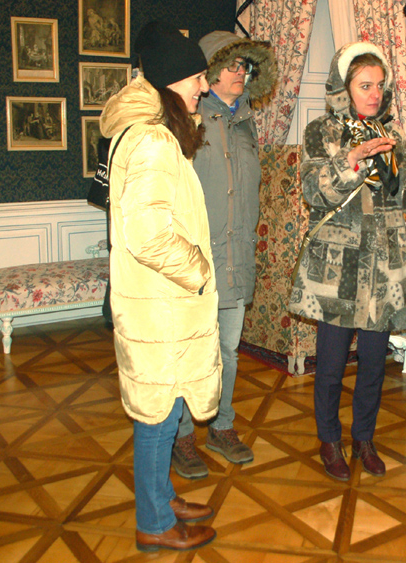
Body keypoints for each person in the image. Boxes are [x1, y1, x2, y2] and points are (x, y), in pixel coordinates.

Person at [288, 42, 406, 482]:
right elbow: (313, 193)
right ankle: (329, 440)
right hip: (337, 269)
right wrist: (351, 159)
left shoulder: (393, 138)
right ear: (344, 88)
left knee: (375, 365)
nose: (374, 94)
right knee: (331, 366)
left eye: (379, 85)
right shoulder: (322, 132)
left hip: (384, 271)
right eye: (365, 85)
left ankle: (364, 438)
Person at [98, 21, 221, 552]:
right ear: (173, 80)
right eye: (198, 78)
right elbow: (147, 235)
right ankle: (153, 523)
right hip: (162, 308)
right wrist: (198, 270)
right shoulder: (151, 140)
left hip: (159, 305)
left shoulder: (150, 132)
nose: (204, 88)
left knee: (164, 412)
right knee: (158, 417)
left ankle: (162, 497)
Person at [170, 30, 277, 480]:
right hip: (197, 261)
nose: (241, 73)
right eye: (232, 65)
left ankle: (221, 425)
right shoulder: (188, 119)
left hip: (237, 258)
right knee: (190, 351)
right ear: (210, 70)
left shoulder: (247, 123)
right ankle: (181, 437)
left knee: (228, 351)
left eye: (246, 67)